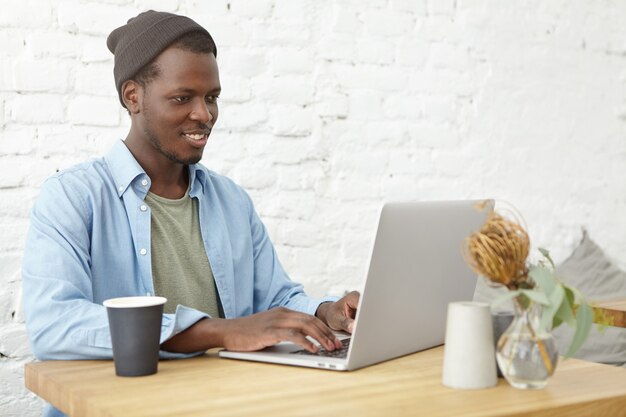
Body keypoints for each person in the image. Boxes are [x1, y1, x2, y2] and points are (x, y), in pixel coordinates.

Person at [22, 10, 359, 416]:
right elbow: (54, 325)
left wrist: (326, 312)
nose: (205, 114)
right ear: (133, 97)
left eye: (212, 97)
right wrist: (218, 332)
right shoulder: (73, 197)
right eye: (183, 98)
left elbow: (275, 298)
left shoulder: (230, 200)